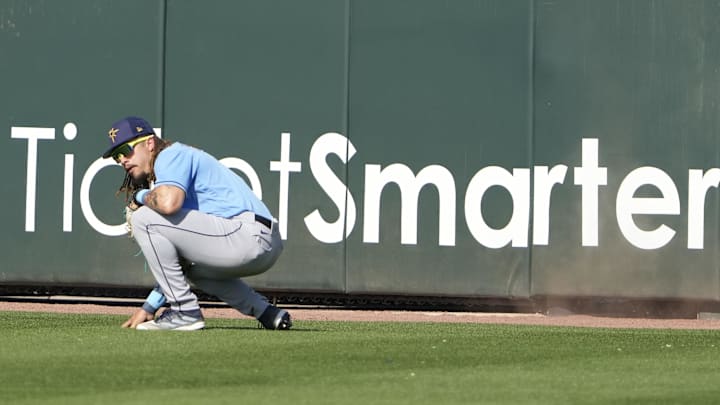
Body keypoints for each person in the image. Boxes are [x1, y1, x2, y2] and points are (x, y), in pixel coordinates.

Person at [101, 116, 291, 331]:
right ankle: (267, 312)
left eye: (126, 151)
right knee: (195, 271)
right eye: (116, 157)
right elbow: (179, 264)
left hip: (247, 234)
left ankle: (184, 311)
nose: (122, 160)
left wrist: (140, 197)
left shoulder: (169, 155)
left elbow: (168, 203)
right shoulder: (176, 161)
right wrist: (149, 306)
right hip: (262, 242)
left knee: (143, 218)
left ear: (150, 143)